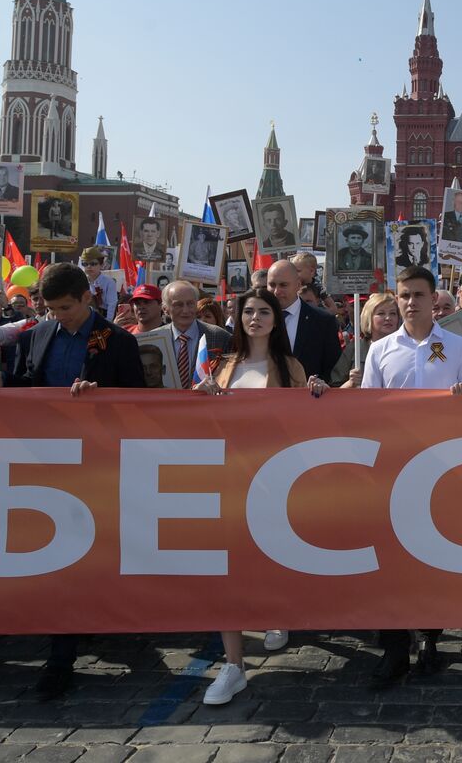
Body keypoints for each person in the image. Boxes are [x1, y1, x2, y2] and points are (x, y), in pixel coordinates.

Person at [0, 263, 145, 698]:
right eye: (51, 308)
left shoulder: (114, 341)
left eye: (66, 307)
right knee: (59, 553)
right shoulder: (35, 335)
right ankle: (65, 642)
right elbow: (23, 384)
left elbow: (137, 399)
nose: (59, 315)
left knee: (89, 550)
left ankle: (73, 640)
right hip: (46, 463)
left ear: (88, 298)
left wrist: (101, 398)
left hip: (98, 462)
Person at [191, 287, 325, 705]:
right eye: (247, 311)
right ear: (238, 318)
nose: (254, 318)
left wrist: (319, 391)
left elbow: (308, 422)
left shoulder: (290, 366)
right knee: (225, 570)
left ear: (275, 319)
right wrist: (200, 396)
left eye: (263, 311)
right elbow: (203, 420)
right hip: (229, 477)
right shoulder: (224, 366)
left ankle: (274, 611)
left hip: (273, 480)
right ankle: (233, 665)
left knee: (270, 556)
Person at [363, 265, 462, 688]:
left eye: (419, 295)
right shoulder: (379, 351)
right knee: (390, 561)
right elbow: (366, 413)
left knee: (434, 558)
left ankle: (431, 637)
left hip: (441, 468)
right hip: (391, 469)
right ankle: (395, 649)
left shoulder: (457, 347)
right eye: (404, 295)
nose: (411, 303)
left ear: (435, 299)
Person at [141, 281, 232, 387]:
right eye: (178, 305)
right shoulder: (153, 340)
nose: (185, 310)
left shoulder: (220, 337)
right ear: (165, 309)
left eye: (190, 303)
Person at [266, 259, 343, 381]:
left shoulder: (323, 321)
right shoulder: (257, 320)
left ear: (298, 285)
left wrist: (320, 385)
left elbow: (333, 370)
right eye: (272, 285)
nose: (276, 291)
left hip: (309, 398)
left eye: (283, 285)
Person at [333, 291, 400, 386]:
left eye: (393, 313)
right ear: (369, 317)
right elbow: (334, 390)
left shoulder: (406, 346)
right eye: (381, 313)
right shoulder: (355, 348)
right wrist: (350, 383)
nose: (388, 318)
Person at [80, 247, 118, 322]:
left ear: (101, 265)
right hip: (84, 318)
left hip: (103, 316)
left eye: (93, 264)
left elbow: (112, 305)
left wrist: (107, 322)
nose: (89, 267)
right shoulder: (80, 281)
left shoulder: (109, 282)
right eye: (85, 264)